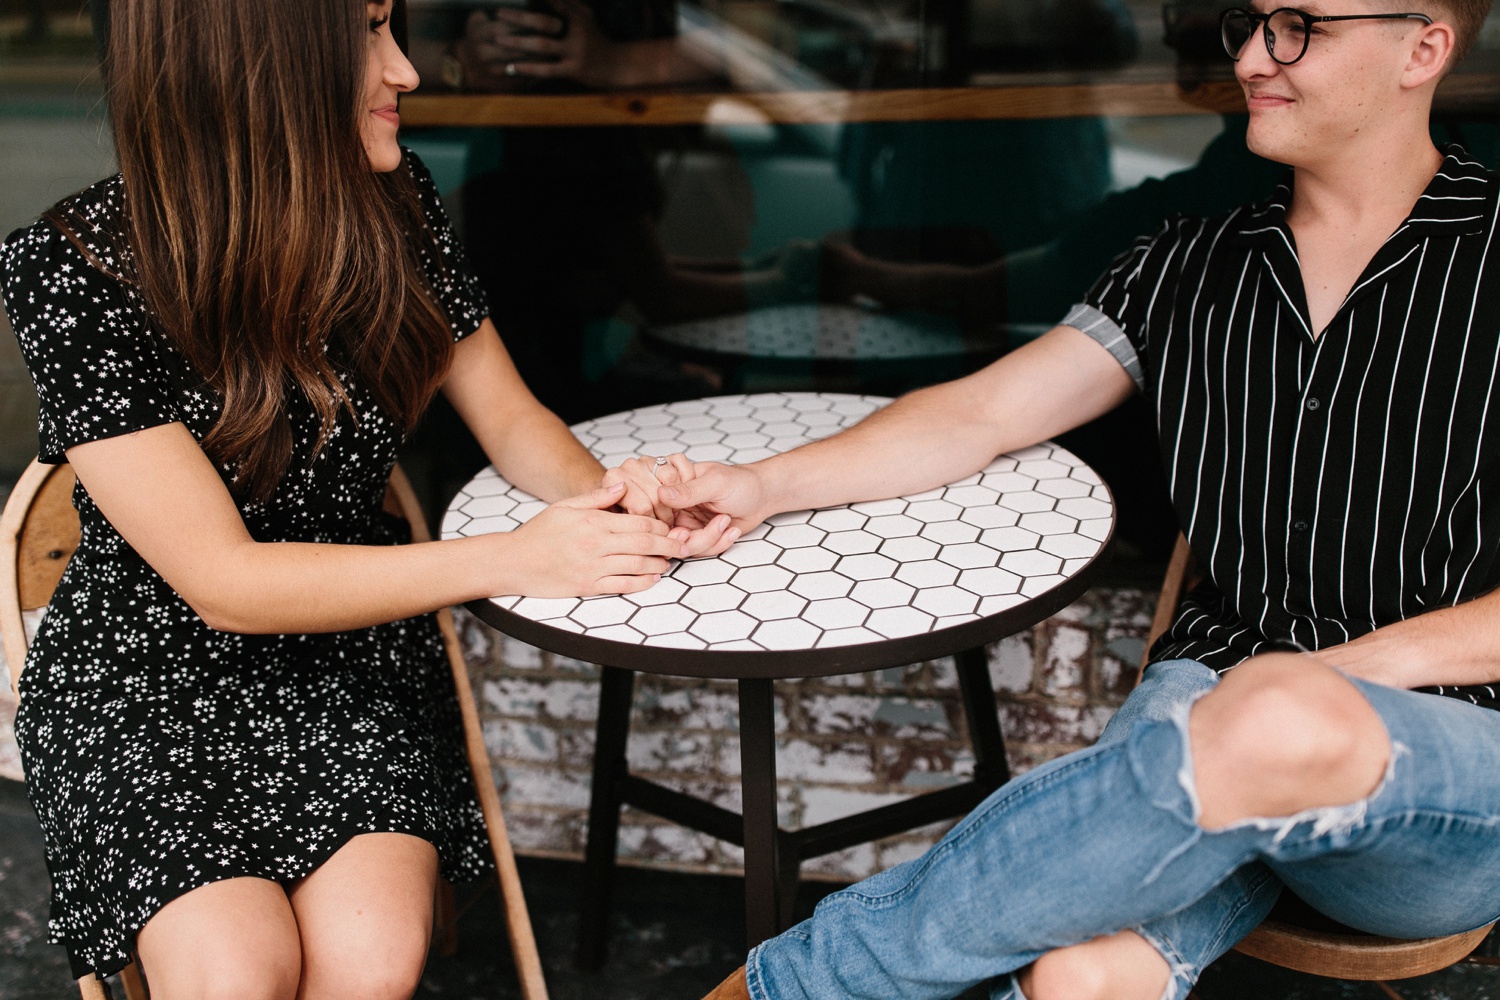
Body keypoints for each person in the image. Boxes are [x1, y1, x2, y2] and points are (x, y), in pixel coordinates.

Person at [632, 0, 1500, 994]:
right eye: (1253, 22)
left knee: (1268, 718)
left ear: (1423, 47)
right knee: (1084, 975)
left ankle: (789, 985)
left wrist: (1314, 685)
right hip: (1208, 727)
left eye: (1300, 24)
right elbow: (981, 414)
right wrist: (763, 482)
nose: (1255, 55)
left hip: (1451, 770)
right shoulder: (1185, 262)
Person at [0, 2, 727, 997]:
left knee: (370, 961)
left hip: (350, 650)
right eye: (371, 32)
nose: (407, 70)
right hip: (148, 676)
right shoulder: (74, 269)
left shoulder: (395, 205)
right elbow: (225, 582)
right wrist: (523, 555)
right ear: (264, 63)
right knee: (233, 975)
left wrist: (612, 495)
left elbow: (511, 420)